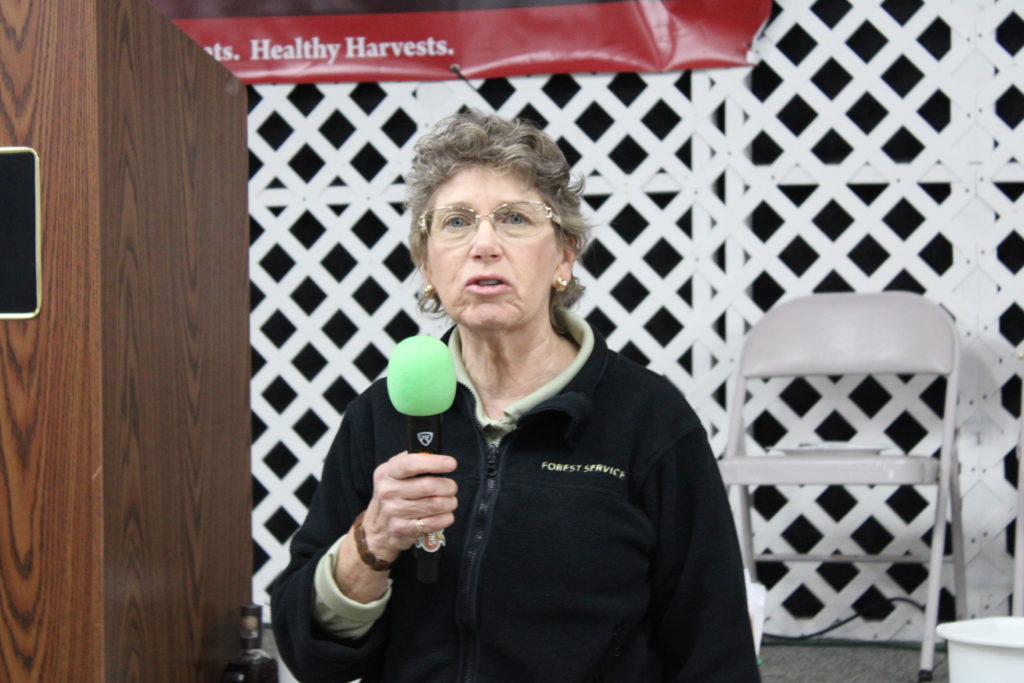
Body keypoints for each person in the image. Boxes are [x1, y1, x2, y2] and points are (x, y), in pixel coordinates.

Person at [270, 109, 760, 682]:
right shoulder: (380, 416)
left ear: (564, 256)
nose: (484, 244)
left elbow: (713, 645)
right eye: (456, 222)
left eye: (515, 218)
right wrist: (372, 540)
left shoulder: (648, 418)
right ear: (426, 265)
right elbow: (308, 651)